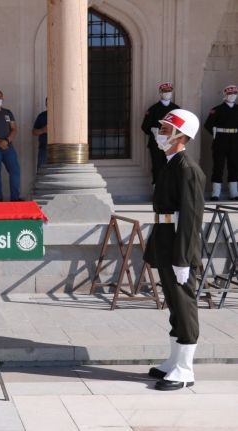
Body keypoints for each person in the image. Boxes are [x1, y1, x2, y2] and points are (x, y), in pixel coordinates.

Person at [143, 109, 204, 391]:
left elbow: (191, 218)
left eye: (166, 129)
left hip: (179, 246)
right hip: (166, 241)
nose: (160, 133)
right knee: (173, 304)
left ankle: (185, 369)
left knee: (184, 303)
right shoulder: (171, 163)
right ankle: (174, 360)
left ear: (181, 135)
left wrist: (183, 258)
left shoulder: (187, 168)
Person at [142, 82, 181, 185]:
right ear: (160, 93)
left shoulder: (177, 109)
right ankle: (157, 190)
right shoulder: (153, 109)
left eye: (169, 91)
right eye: (165, 91)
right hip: (157, 142)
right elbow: (145, 127)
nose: (167, 93)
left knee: (172, 165)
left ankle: (170, 190)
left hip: (172, 141)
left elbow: (181, 126)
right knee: (157, 166)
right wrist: (153, 130)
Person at [205, 84, 238, 200]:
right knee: (218, 166)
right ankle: (216, 192)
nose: (232, 96)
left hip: (235, 140)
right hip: (220, 140)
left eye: (235, 93)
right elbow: (208, 125)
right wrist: (215, 133)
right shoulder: (217, 110)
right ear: (225, 95)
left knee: (234, 166)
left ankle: (234, 192)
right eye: (230, 94)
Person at [32, 98, 48, 171]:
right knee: (42, 171)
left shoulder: (63, 115)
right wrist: (43, 130)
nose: (49, 105)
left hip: (59, 150)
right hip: (44, 149)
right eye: (47, 103)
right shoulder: (42, 116)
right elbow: (34, 132)